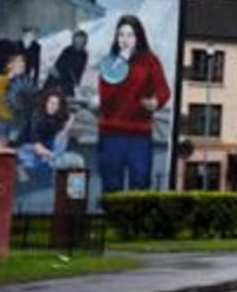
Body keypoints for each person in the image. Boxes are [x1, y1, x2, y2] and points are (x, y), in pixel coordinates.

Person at [98, 15, 170, 193]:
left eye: (130, 35)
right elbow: (105, 97)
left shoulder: (150, 61)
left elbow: (163, 90)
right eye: (121, 35)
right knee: (111, 186)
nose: (125, 40)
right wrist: (120, 62)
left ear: (138, 37)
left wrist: (155, 102)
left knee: (140, 184)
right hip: (111, 133)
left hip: (139, 134)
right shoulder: (109, 63)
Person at [17, 89, 72, 182]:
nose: (53, 106)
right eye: (51, 103)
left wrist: (65, 131)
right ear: (46, 103)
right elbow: (37, 147)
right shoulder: (38, 118)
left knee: (62, 138)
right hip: (29, 145)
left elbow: (69, 118)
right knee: (30, 158)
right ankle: (23, 166)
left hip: (48, 143)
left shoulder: (59, 115)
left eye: (56, 104)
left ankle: (52, 164)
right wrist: (52, 155)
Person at [0, 52, 28, 147]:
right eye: (19, 62)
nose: (22, 65)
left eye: (23, 63)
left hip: (13, 119)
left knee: (6, 144)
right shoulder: (2, 81)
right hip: (1, 119)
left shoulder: (21, 82)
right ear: (10, 65)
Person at [48, 29, 89, 97]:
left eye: (82, 40)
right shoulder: (68, 50)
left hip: (70, 81)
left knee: (70, 97)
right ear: (74, 40)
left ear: (85, 41)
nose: (79, 41)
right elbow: (59, 65)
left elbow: (81, 70)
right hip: (59, 77)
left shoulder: (84, 54)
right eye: (78, 39)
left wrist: (77, 82)